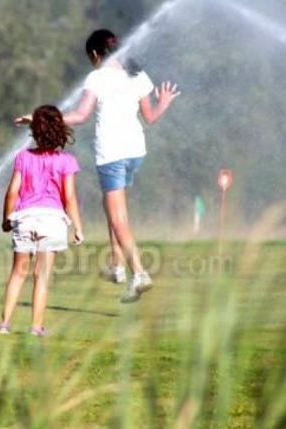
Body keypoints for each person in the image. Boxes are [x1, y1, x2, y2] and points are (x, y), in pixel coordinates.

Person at [18, 29, 179, 302]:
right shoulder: (137, 74)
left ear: (95, 54)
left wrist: (40, 119)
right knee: (111, 206)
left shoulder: (97, 77)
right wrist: (162, 103)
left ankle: (139, 273)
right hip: (135, 152)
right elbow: (150, 117)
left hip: (112, 154)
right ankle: (117, 266)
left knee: (118, 217)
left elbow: (81, 115)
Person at [0, 105, 84, 336]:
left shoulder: (23, 157)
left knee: (18, 272)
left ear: (34, 132)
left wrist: (6, 218)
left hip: (25, 218)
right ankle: (36, 327)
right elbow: (69, 197)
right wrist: (77, 227)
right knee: (42, 276)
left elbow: (12, 192)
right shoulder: (66, 161)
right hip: (52, 221)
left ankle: (4, 325)